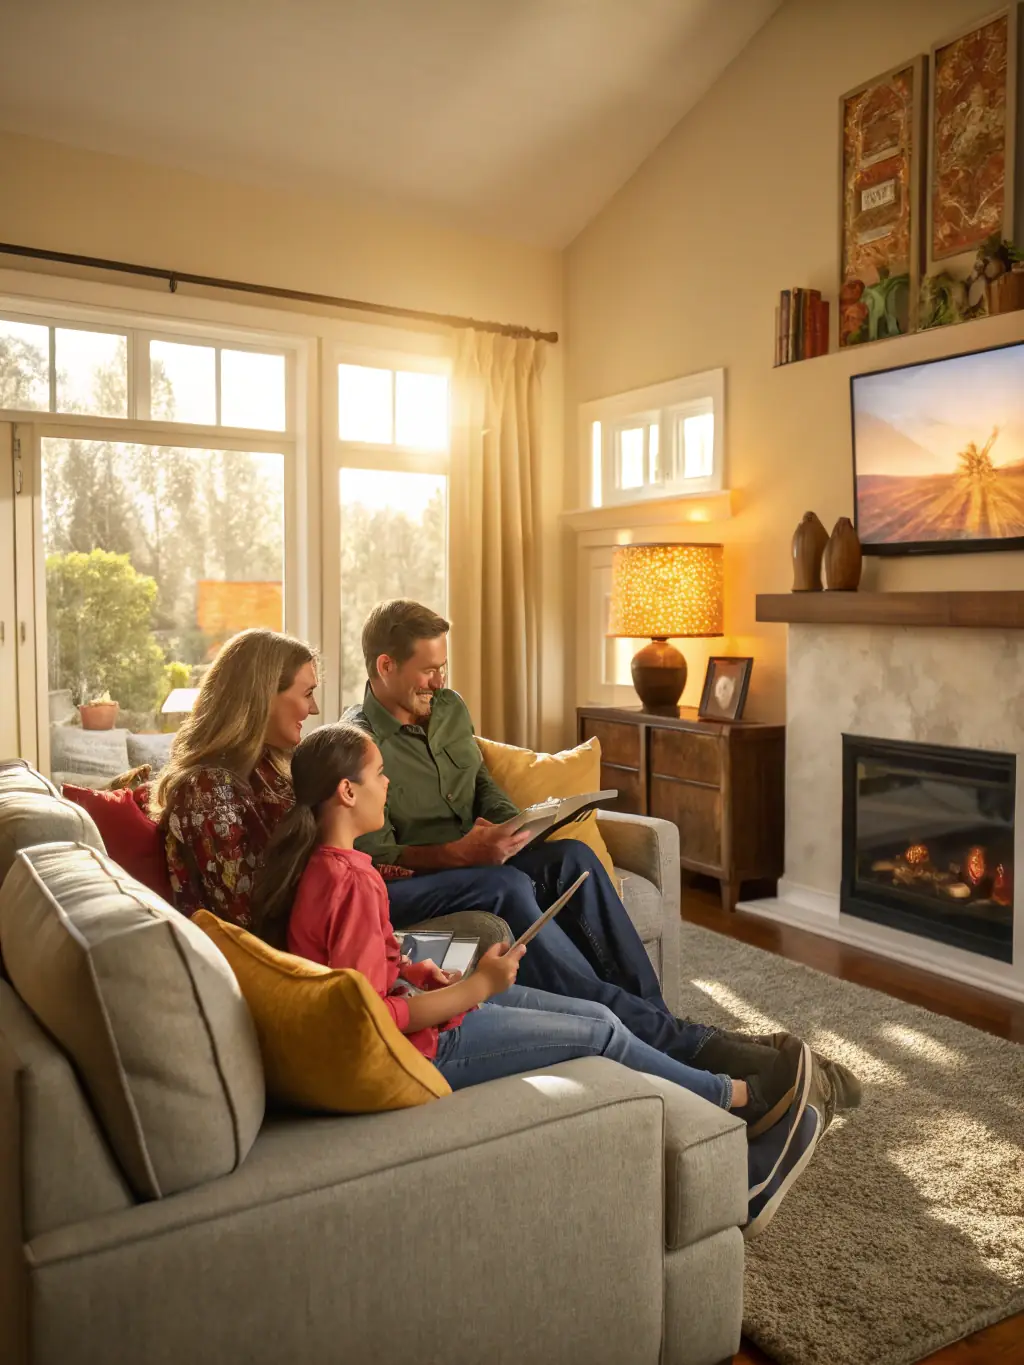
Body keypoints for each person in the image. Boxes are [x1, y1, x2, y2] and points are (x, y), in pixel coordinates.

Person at [250, 721, 824, 1238]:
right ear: (347, 792)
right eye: (379, 775)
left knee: (595, 1016)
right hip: (417, 1051)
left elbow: (354, 969)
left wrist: (413, 969)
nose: (388, 783)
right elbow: (369, 1016)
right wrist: (477, 988)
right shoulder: (351, 881)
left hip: (419, 1019)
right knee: (598, 1036)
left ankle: (726, 1093)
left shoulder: (337, 869)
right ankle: (739, 1107)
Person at [343, 599, 860, 1132]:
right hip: (436, 876)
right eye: (428, 670)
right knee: (506, 885)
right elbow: (378, 855)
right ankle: (691, 1046)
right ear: (386, 666)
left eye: (443, 666)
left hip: (485, 854)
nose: (439, 679)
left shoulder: (449, 708)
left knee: (575, 857)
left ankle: (660, 1025)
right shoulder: (358, 745)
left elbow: (479, 783)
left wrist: (516, 824)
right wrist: (465, 853)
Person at [152, 628, 320, 926]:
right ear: (264, 697)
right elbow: (247, 917)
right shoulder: (204, 789)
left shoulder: (274, 768)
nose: (314, 708)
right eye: (307, 693)